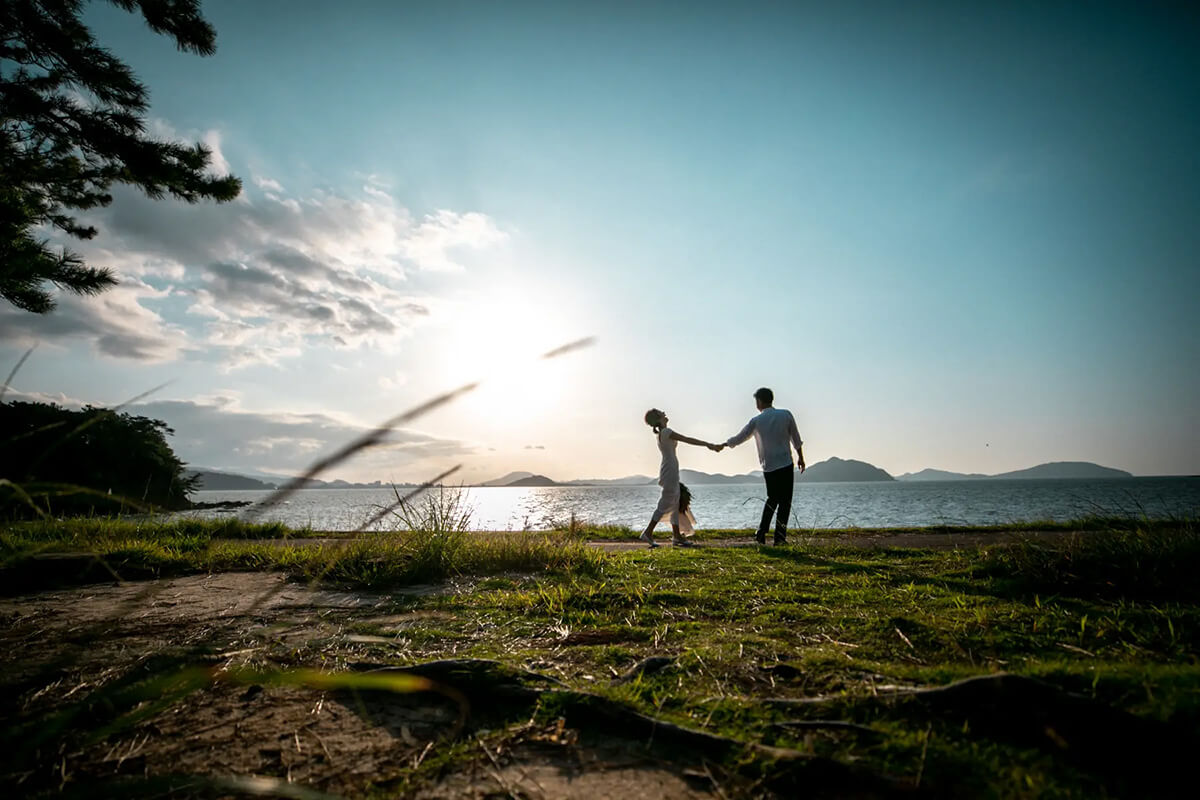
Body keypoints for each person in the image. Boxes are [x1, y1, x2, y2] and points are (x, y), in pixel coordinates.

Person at [718, 387, 805, 545]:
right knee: (785, 502)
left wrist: (725, 444)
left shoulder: (756, 421)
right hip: (785, 463)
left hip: (769, 466)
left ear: (759, 401)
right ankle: (780, 537)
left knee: (772, 499)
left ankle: (761, 531)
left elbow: (741, 437)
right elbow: (796, 438)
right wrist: (801, 458)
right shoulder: (786, 414)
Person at [640, 408, 719, 548]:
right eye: (661, 412)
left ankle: (676, 536)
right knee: (665, 504)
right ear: (658, 418)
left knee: (675, 504)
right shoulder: (666, 432)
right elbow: (687, 439)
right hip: (669, 470)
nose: (664, 412)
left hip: (670, 469)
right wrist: (708, 445)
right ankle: (648, 532)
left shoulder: (662, 433)